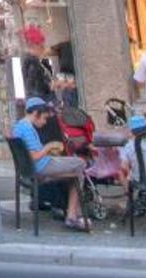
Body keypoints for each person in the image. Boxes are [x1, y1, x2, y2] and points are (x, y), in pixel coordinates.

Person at [11, 97, 91, 230]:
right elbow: (34, 156)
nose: (44, 122)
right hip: (41, 167)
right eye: (44, 118)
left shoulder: (19, 126)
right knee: (81, 163)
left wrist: (49, 152)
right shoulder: (27, 129)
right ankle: (72, 216)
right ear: (36, 113)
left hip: (33, 168)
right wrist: (49, 146)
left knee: (77, 173)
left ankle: (72, 214)